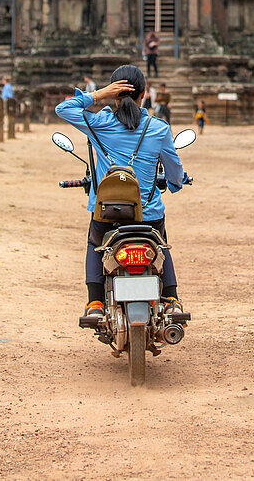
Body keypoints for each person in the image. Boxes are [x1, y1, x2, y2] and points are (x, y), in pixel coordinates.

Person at [55, 64, 189, 321]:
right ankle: (171, 298)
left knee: (95, 244)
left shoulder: (99, 124)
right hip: (147, 215)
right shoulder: (158, 128)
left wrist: (99, 94)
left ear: (115, 94)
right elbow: (174, 171)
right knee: (161, 242)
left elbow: (63, 108)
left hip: (107, 213)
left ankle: (94, 302)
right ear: (145, 93)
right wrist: (175, 184)